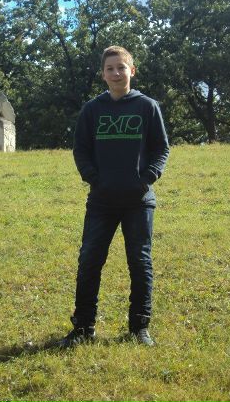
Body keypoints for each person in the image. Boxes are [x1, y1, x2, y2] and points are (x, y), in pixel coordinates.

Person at [58, 45, 169, 348]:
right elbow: (81, 149)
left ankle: (139, 327)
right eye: (110, 69)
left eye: (121, 67)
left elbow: (161, 149)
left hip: (139, 201)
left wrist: (146, 179)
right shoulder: (92, 109)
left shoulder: (147, 107)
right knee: (89, 261)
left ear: (132, 70)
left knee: (140, 263)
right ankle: (83, 327)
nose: (116, 73)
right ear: (103, 74)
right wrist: (95, 180)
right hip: (102, 201)